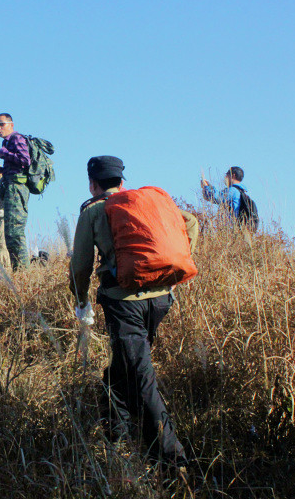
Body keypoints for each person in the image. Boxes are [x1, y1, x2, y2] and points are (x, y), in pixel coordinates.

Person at [69, 156, 198, 470]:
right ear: (121, 181)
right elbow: (191, 222)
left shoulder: (94, 211)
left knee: (142, 376)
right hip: (161, 300)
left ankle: (171, 458)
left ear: (92, 183)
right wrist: (172, 265)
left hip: (122, 302)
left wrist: (81, 300)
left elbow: (81, 265)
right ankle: (115, 431)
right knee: (123, 367)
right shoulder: (146, 202)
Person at [0, 113, 31, 270]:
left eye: (2, 124)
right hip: (11, 187)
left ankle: (23, 273)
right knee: (9, 233)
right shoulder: (7, 142)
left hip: (17, 188)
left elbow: (25, 160)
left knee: (15, 232)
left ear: (11, 124)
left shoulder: (16, 139)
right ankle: (18, 271)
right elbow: (15, 167)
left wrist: (4, 154)